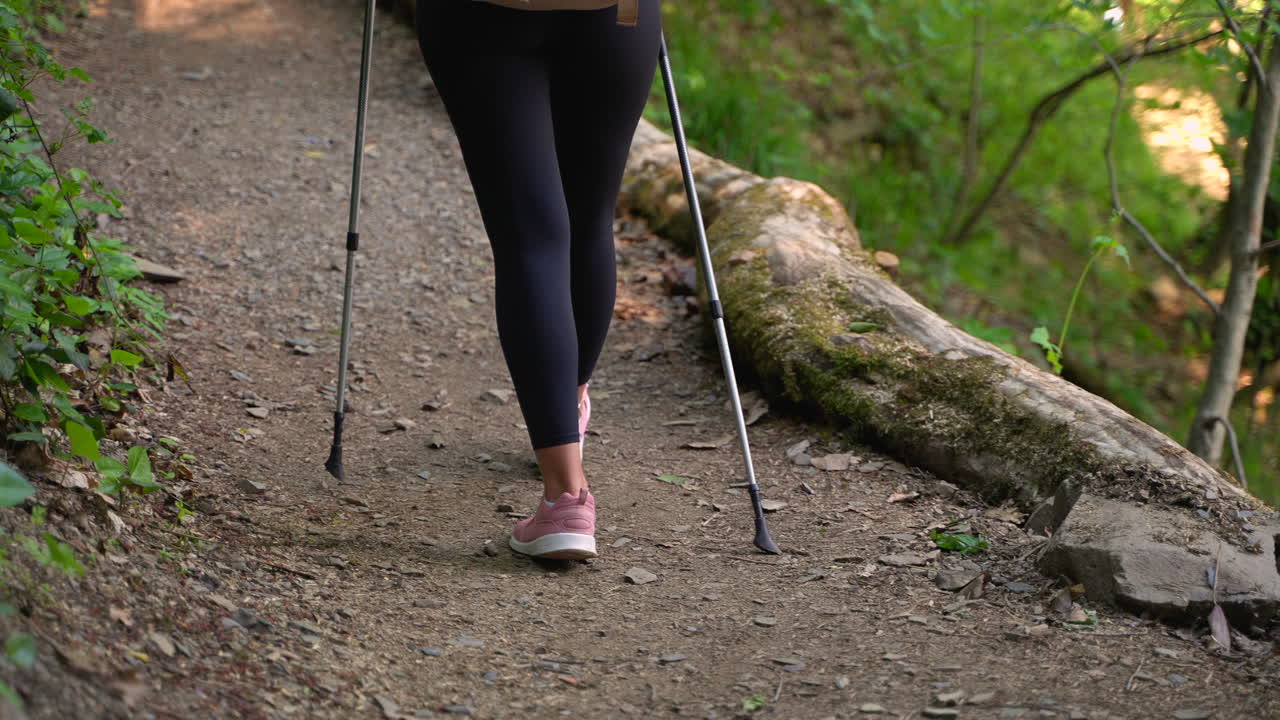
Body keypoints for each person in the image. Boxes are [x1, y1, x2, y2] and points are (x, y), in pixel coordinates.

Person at [415, 0, 661, 560]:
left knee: (532, 237)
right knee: (588, 222)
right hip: (615, 14)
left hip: (478, 15)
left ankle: (566, 493)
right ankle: (565, 411)